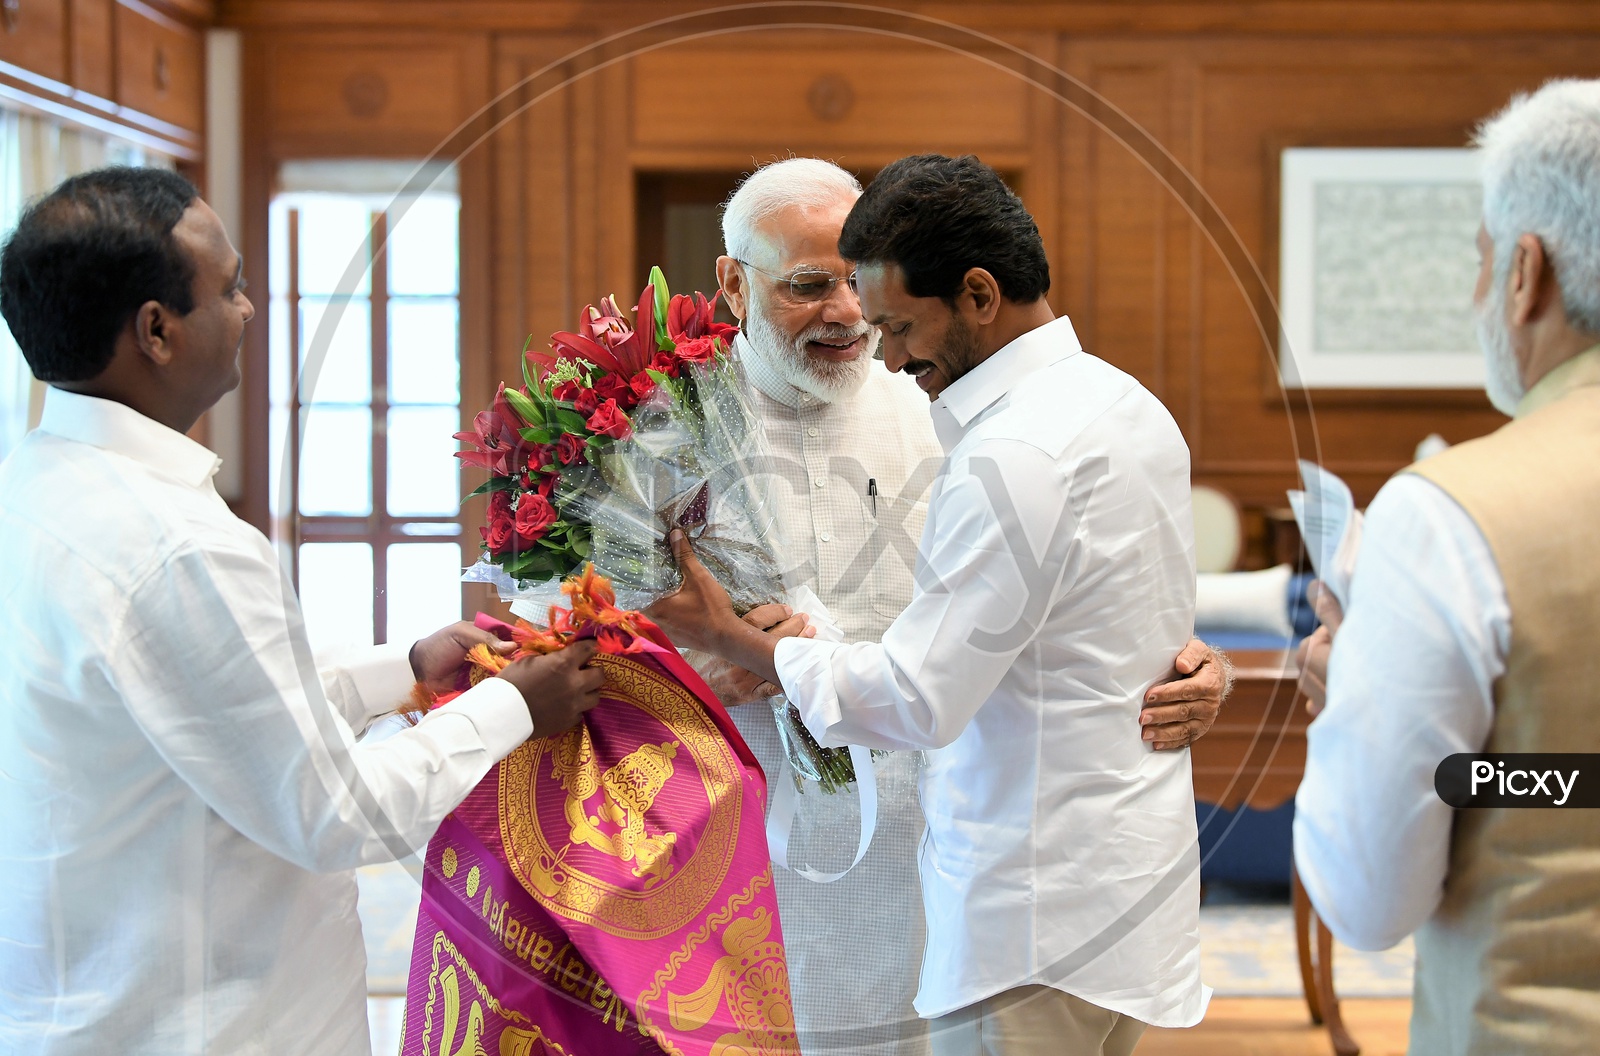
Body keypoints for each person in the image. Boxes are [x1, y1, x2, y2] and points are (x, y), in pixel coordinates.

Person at [0, 167, 605, 1055]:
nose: (249, 310)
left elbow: (209, 714)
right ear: (156, 331)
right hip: (208, 1018)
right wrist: (516, 706)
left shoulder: (36, 484)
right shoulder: (178, 545)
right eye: (231, 287)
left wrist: (396, 673)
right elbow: (334, 814)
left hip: (79, 995)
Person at [651, 153, 1211, 1056]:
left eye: (882, 313)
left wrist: (1192, 663)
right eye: (808, 286)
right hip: (755, 836)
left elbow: (922, 693)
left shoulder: (969, 426)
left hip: (986, 867)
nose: (866, 333)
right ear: (730, 282)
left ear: (977, 297)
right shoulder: (656, 426)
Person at [1293, 79, 1600, 1054]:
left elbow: (1368, 895)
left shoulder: (1449, 518)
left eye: (1478, 263)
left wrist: (1356, 693)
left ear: (1524, 273)